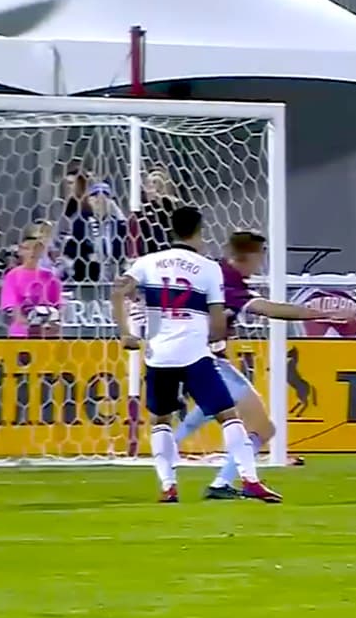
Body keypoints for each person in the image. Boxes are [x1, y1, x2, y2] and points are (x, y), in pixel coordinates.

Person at [168, 231, 356, 499]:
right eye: (260, 257)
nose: (261, 264)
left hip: (186, 357)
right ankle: (221, 483)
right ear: (248, 256)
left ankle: (176, 457)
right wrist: (324, 313)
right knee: (262, 428)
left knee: (213, 410)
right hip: (207, 362)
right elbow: (272, 310)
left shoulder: (212, 272)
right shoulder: (230, 285)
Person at [110, 206, 280, 503]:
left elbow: (118, 291)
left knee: (161, 420)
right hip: (194, 355)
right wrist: (215, 334)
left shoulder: (147, 262)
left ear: (172, 229)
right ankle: (250, 479)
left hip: (159, 354)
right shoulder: (208, 268)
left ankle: (168, 487)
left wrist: (126, 333)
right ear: (200, 230)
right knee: (228, 416)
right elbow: (217, 321)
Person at [0, 223, 63, 338]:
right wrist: (30, 326)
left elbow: (58, 308)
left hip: (47, 336)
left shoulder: (50, 277)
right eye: (28, 248)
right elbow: (12, 309)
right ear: (20, 250)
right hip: (21, 335)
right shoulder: (12, 276)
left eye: (36, 248)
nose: (32, 252)